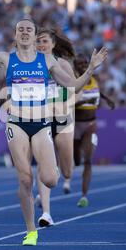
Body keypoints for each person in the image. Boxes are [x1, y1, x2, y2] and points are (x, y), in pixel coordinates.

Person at [0, 0, 108, 245]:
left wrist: (90, 69)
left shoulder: (47, 60)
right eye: (20, 29)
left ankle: (50, 172)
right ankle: (31, 230)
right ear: (15, 35)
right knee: (25, 179)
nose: (24, 32)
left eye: (28, 30)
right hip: (17, 124)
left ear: (34, 37)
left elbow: (74, 87)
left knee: (51, 179)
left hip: (42, 125)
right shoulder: (5, 58)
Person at [33, 28, 77, 227]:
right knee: (43, 166)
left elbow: (74, 87)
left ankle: (60, 172)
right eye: (38, 42)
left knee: (67, 170)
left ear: (53, 44)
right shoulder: (31, 65)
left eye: (44, 41)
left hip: (63, 119)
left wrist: (66, 106)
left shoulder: (62, 64)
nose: (41, 45)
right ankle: (46, 213)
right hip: (41, 119)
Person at [73, 54, 115, 207]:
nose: (83, 66)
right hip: (75, 125)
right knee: (76, 160)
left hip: (91, 124)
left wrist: (106, 98)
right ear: (75, 67)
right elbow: (68, 102)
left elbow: (96, 92)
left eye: (85, 63)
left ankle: (84, 195)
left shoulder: (94, 79)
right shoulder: (73, 82)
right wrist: (85, 101)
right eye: (80, 64)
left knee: (88, 160)